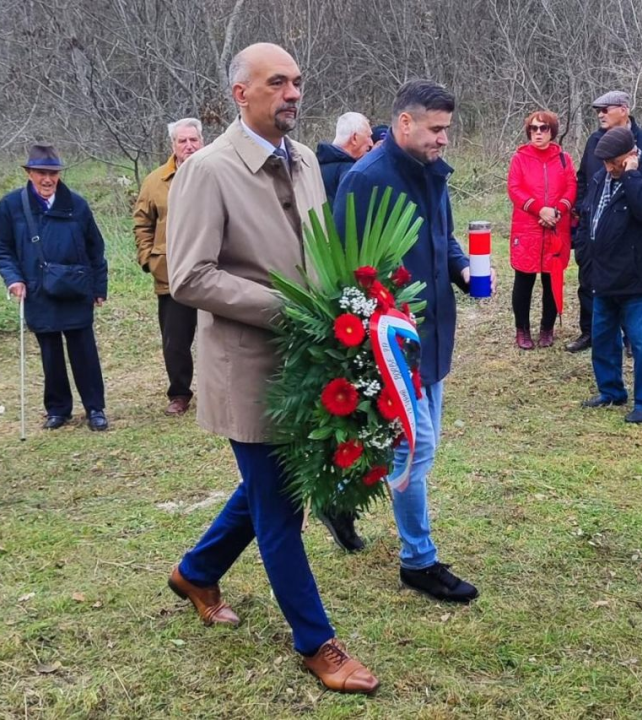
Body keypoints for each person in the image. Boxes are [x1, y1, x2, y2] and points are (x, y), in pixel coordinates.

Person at [164, 42, 380, 695]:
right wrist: (293, 310)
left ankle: (195, 572)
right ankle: (317, 643)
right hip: (251, 370)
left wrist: (349, 302)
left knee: (270, 489)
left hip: (310, 365)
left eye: (297, 82)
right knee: (282, 510)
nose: (292, 93)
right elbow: (189, 276)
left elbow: (316, 251)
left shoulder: (307, 159)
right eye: (277, 82)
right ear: (241, 93)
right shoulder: (208, 170)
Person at [329, 79, 480, 603]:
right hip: (389, 345)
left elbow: (444, 238)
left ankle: (339, 499)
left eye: (447, 129)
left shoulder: (434, 172)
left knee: (406, 447)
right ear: (405, 122)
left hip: (433, 336)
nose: (444, 139)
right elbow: (347, 268)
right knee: (417, 450)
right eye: (436, 129)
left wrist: (463, 269)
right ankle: (419, 560)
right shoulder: (365, 179)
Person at [0, 145, 110, 431]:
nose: (47, 179)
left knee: (84, 351)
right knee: (50, 352)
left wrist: (99, 287)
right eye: (41, 173)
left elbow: (95, 248)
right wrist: (13, 278)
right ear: (29, 173)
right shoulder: (11, 206)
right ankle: (57, 409)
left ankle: (95, 408)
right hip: (37, 289)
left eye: (53, 173)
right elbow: (1, 247)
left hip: (76, 287)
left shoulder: (77, 204)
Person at [577, 127, 642, 424]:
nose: (608, 167)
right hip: (602, 275)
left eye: (613, 162)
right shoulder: (600, 177)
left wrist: (631, 175)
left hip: (636, 277)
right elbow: (588, 214)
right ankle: (611, 391)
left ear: (629, 155)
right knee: (603, 339)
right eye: (604, 162)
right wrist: (583, 250)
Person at [569, 91, 642, 353]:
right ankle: (589, 332)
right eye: (597, 110)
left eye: (605, 109)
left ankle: (630, 338)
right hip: (594, 229)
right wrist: (582, 210)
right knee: (589, 283)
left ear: (624, 109)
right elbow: (583, 178)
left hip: (629, 234)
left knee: (628, 292)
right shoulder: (594, 140)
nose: (600, 115)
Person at [133, 118, 204, 415]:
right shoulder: (155, 181)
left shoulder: (217, 172)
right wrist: (149, 258)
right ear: (173, 145)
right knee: (175, 340)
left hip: (213, 270)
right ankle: (179, 393)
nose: (189, 146)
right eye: (182, 141)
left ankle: (217, 390)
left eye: (193, 140)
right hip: (171, 273)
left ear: (202, 142)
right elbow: (142, 222)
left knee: (218, 337)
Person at [506, 110, 576, 349]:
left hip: (556, 227)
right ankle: (522, 329)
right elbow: (514, 188)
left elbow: (571, 187)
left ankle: (547, 328)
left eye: (543, 128)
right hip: (528, 228)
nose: (537, 133)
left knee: (551, 279)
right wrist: (539, 210)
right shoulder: (520, 158)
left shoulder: (564, 159)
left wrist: (557, 211)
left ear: (551, 131)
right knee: (523, 280)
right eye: (533, 128)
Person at [316, 112, 373, 204]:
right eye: (369, 136)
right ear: (354, 138)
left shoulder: (313, 166)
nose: (371, 143)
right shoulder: (352, 172)